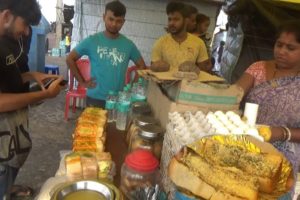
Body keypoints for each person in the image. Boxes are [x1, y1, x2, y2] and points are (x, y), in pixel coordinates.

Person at [0, 0, 63, 199]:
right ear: (6, 16)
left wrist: (33, 75)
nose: (27, 32)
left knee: (9, 172)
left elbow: (7, 76)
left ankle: (7, 187)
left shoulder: (6, 39)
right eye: (25, 24)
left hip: (12, 132)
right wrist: (45, 94)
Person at [236, 20, 300, 198]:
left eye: (290, 48)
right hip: (248, 142)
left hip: (284, 156)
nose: (281, 51)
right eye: (279, 45)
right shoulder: (258, 68)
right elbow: (235, 94)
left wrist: (281, 132)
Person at [67, 0, 146, 108]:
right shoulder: (92, 41)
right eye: (111, 19)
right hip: (94, 99)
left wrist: (132, 88)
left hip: (117, 100)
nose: (114, 24)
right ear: (104, 17)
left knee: (114, 125)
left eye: (118, 21)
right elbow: (70, 59)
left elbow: (142, 66)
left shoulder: (128, 45)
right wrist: (82, 82)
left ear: (123, 21)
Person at [151, 1, 211, 73]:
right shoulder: (160, 42)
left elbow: (205, 71)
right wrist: (157, 67)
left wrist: (195, 68)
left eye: (176, 19)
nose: (171, 23)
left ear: (186, 21)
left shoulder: (199, 43)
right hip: (165, 83)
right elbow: (153, 70)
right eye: (170, 19)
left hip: (190, 83)